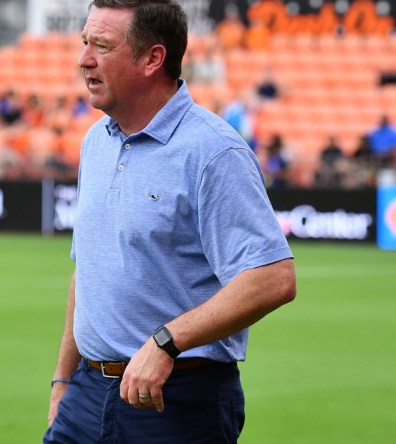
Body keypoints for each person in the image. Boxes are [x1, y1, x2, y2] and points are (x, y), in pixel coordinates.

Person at [44, 2, 296, 443]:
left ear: (152, 59)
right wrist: (63, 381)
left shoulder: (214, 152)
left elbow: (273, 277)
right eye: (85, 42)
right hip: (86, 395)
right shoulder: (95, 142)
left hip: (175, 400)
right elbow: (88, 271)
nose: (84, 58)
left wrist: (166, 341)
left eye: (101, 46)